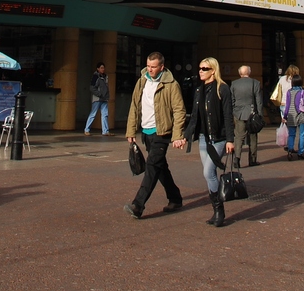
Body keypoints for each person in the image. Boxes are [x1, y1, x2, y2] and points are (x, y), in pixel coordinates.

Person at [124, 52, 186, 219]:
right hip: (146, 132)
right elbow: (135, 106)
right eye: (148, 66)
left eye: (153, 67)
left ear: (161, 67)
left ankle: (138, 205)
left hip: (162, 133)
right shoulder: (142, 81)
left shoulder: (171, 84)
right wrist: (131, 130)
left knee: (152, 166)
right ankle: (175, 198)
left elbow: (179, 110)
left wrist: (177, 135)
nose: (149, 70)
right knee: (160, 167)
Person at [184, 57, 234, 227]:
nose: (201, 71)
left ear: (213, 70)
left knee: (208, 172)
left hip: (218, 139)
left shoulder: (223, 89)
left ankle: (220, 209)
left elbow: (228, 115)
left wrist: (230, 140)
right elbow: (195, 117)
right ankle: (216, 210)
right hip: (204, 139)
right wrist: (186, 135)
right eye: (200, 68)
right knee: (210, 175)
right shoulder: (199, 90)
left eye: (204, 68)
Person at [230, 65, 263, 167]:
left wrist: (234, 112)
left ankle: (237, 158)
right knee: (253, 137)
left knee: (239, 137)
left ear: (240, 73)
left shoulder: (234, 84)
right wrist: (260, 114)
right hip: (251, 113)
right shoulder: (255, 83)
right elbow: (259, 101)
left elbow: (232, 100)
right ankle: (252, 159)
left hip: (238, 113)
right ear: (249, 72)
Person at [283, 74, 304, 160]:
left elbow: (287, 106)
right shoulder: (303, 92)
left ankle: (290, 151)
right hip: (301, 115)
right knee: (302, 134)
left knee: (291, 134)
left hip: (291, 115)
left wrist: (285, 116)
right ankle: (300, 153)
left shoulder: (289, 92)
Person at [84, 63, 110, 135]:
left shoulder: (105, 76)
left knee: (105, 115)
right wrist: (99, 94)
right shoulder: (95, 76)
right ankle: (87, 129)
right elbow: (92, 88)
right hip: (97, 98)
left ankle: (105, 131)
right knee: (93, 114)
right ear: (98, 69)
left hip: (104, 98)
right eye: (101, 68)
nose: (103, 69)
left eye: (103, 68)